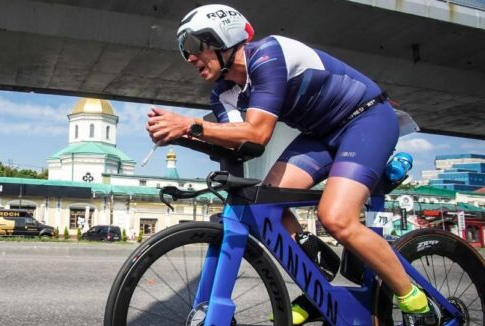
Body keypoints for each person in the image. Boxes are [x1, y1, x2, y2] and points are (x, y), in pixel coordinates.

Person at [147, 4, 436, 325]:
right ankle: (320, 285)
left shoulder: (268, 55)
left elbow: (257, 131)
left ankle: (418, 303)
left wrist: (189, 125)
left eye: (191, 46)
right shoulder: (224, 93)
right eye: (182, 50)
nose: (188, 58)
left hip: (366, 119)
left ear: (221, 37)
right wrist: (179, 137)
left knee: (336, 217)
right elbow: (244, 146)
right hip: (321, 135)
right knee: (262, 204)